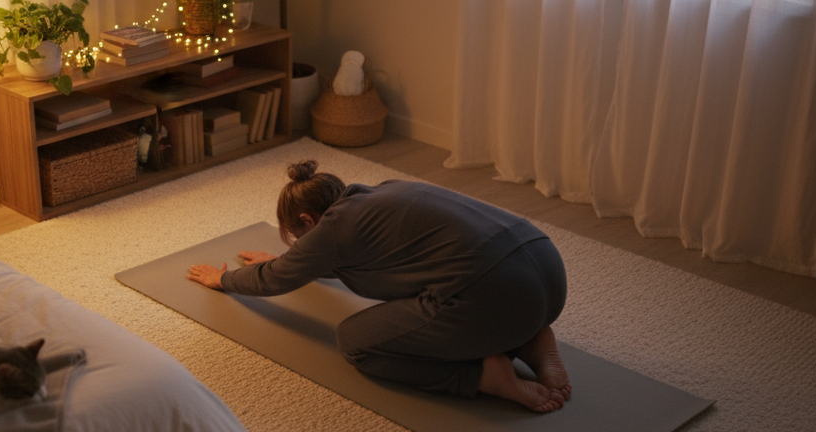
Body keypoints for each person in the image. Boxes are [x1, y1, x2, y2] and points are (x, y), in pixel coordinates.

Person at [185, 160, 571, 412]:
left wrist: (222, 279)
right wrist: (291, 262)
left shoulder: (333, 229)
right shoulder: (383, 191)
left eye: (300, 240)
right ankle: (530, 339)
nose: (304, 249)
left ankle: (485, 378)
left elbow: (273, 281)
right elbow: (356, 256)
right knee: (458, 279)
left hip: (495, 296)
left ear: (308, 219)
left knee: (355, 342)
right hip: (546, 270)